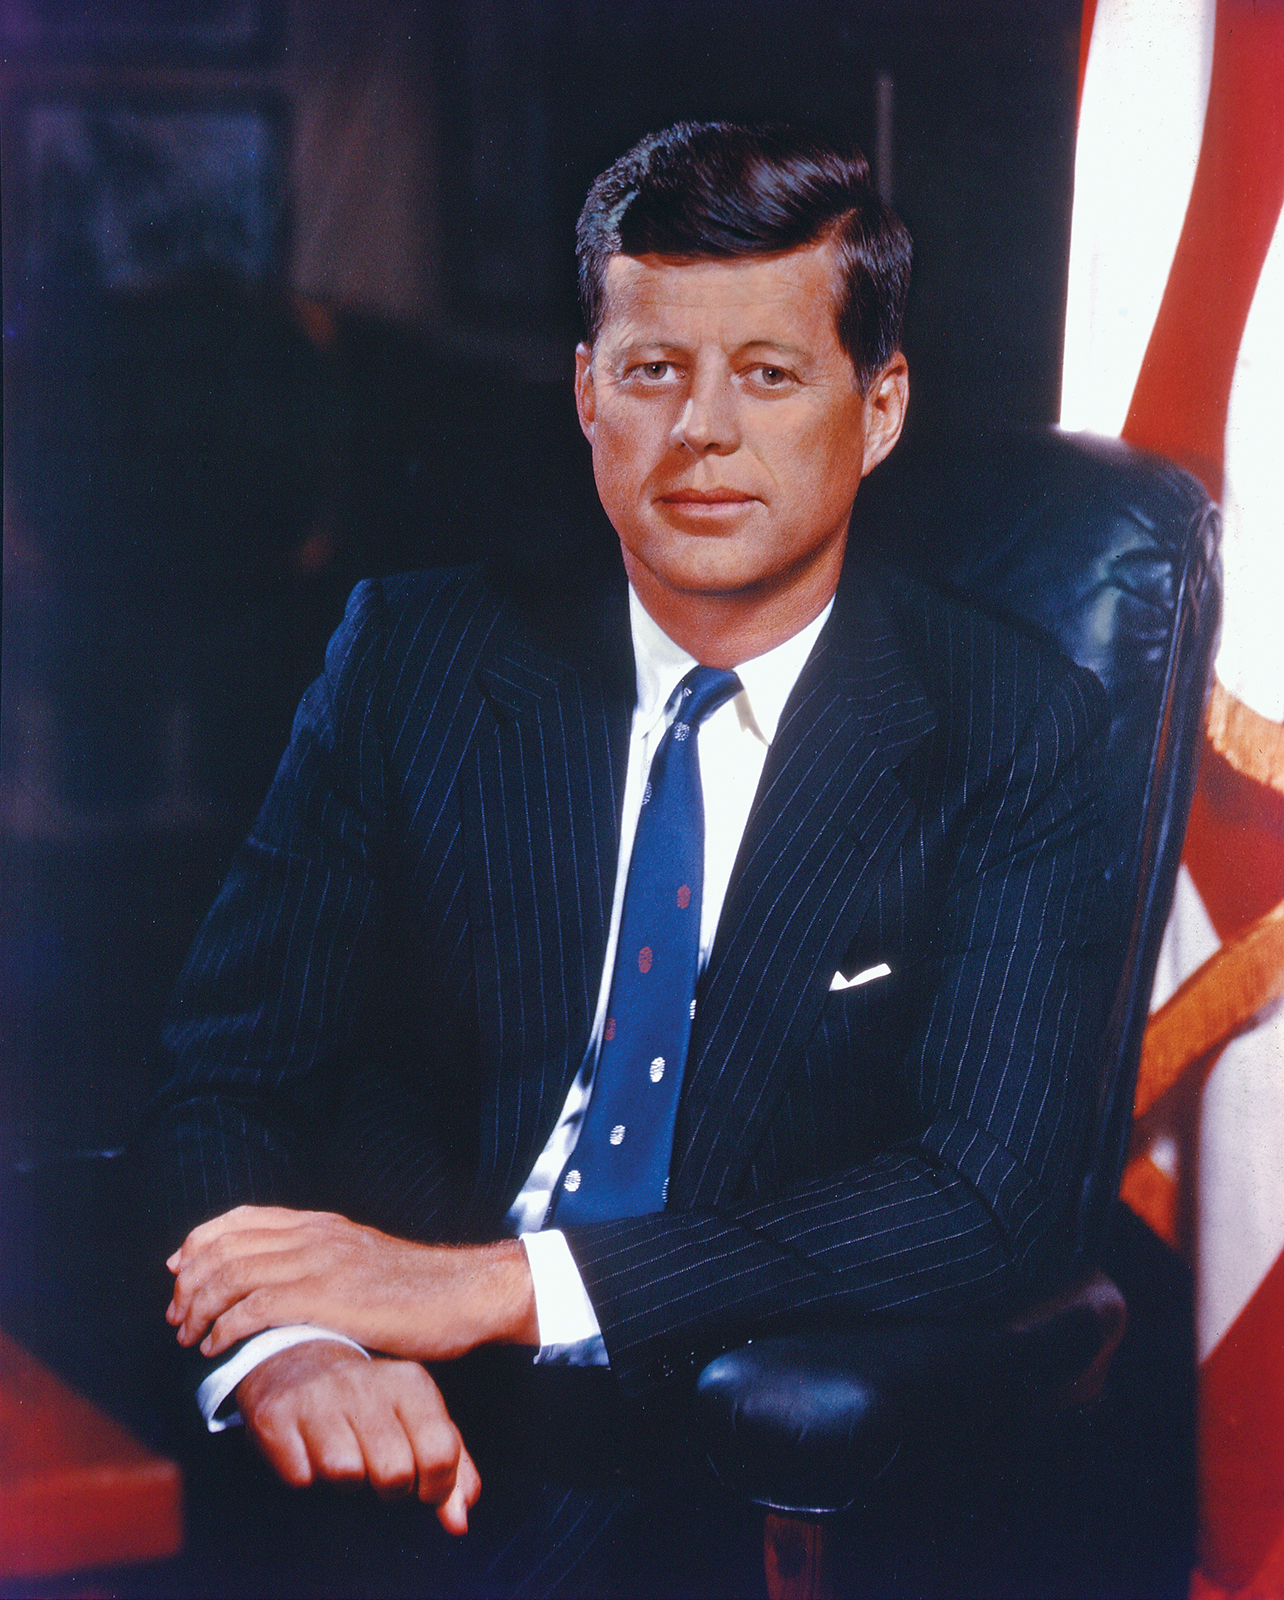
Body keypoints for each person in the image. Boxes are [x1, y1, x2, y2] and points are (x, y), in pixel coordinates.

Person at [146, 121, 1110, 1596]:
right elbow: (226, 1071)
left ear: (882, 405)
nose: (701, 432)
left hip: (719, 1448)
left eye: (771, 375)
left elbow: (984, 1192)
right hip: (384, 1406)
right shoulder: (416, 658)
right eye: (654, 370)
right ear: (589, 393)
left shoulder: (1012, 725)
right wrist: (295, 1351)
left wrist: (499, 1289)